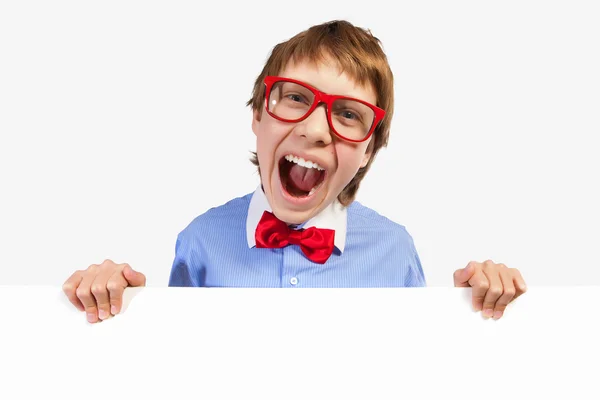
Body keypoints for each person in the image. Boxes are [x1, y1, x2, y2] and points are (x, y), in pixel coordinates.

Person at [62, 20, 527, 324]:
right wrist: (116, 304)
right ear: (258, 116)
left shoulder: (395, 249)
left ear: (368, 150)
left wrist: (480, 304)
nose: (314, 129)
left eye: (348, 114)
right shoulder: (200, 241)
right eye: (296, 98)